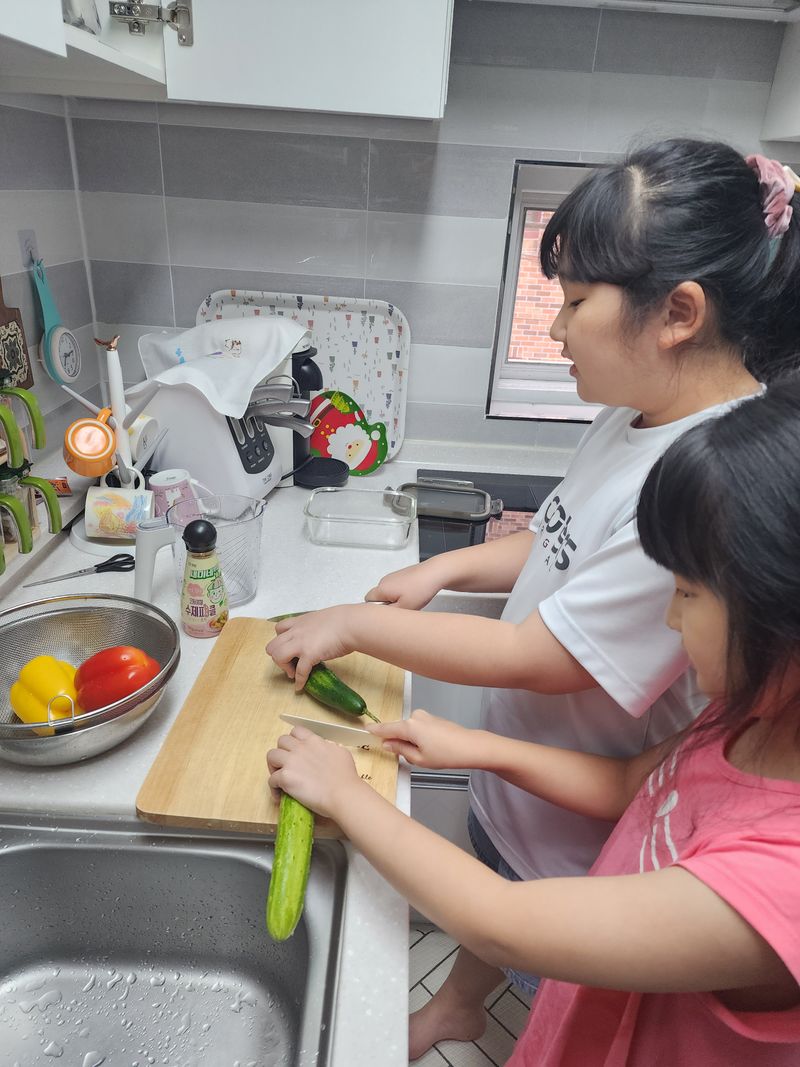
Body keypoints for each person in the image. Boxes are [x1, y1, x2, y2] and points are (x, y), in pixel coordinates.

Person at [266, 140, 800, 1058]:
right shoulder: (637, 416)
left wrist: (360, 626)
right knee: (497, 866)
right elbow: (557, 536)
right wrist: (447, 573)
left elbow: (541, 659)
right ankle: (458, 1008)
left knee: (537, 932)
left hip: (575, 827)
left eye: (577, 301)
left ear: (678, 314)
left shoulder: (711, 487)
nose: (554, 329)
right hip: (542, 770)